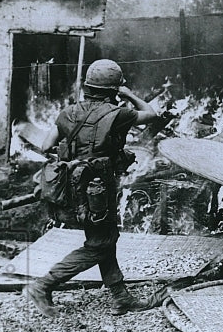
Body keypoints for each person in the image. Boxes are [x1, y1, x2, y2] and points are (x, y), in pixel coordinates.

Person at [24, 59, 160, 318]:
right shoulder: (117, 114)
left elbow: (45, 147)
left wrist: (78, 153)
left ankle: (121, 298)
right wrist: (128, 93)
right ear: (113, 89)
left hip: (72, 188)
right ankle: (43, 285)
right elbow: (151, 114)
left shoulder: (68, 112)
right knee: (100, 243)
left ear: (87, 87)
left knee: (104, 238)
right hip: (99, 189)